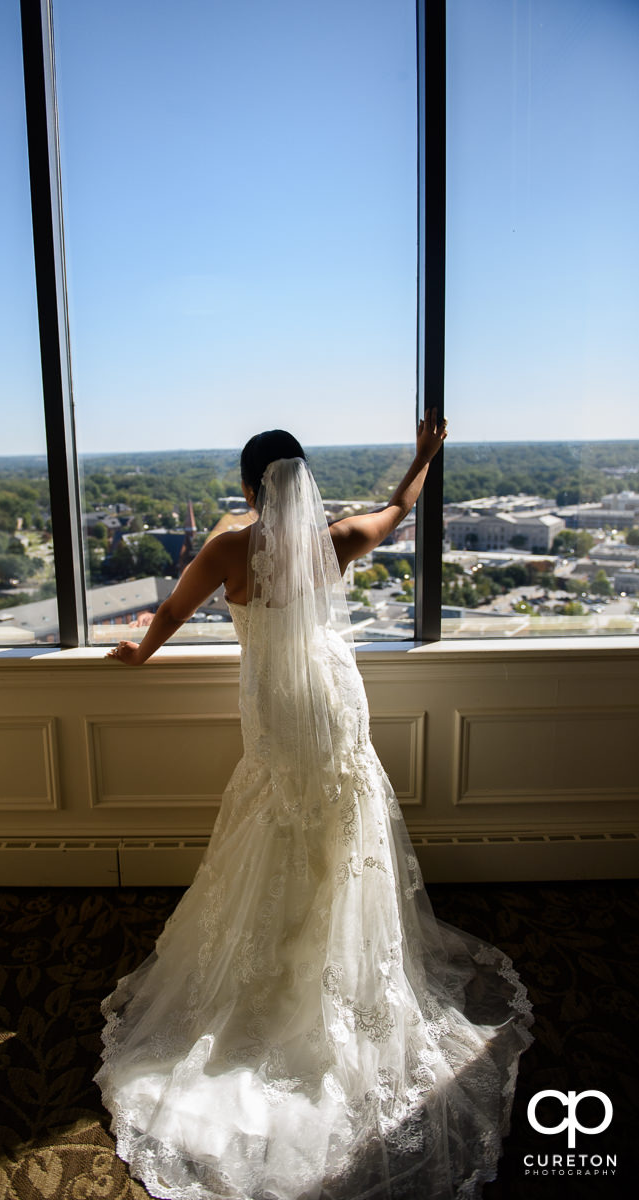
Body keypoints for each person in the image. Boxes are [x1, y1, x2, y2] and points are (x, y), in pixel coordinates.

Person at [94, 410, 534, 1200]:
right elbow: (398, 511)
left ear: (245, 485)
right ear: (304, 484)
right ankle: (333, 951)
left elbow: (173, 611)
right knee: (337, 817)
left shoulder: (229, 545)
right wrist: (423, 455)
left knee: (276, 815)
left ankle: (279, 960)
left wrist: (139, 652)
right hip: (333, 706)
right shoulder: (334, 542)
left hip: (277, 713)